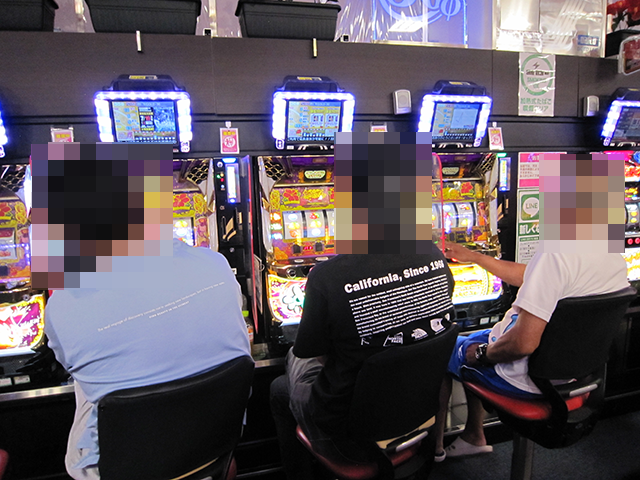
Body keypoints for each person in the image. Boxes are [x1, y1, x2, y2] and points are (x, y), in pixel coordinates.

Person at [34, 144, 251, 480]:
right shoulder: (217, 265)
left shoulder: (64, 303)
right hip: (214, 447)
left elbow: (67, 365)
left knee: (85, 390)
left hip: (127, 465)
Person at [270, 246, 456, 480]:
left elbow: (314, 353)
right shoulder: (432, 253)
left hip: (351, 437)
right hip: (418, 410)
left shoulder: (327, 275)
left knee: (283, 378)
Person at [433, 241, 629, 461]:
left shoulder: (555, 255)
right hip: (573, 374)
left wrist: (482, 354)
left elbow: (522, 345)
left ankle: (435, 449)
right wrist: (476, 257)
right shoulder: (612, 258)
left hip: (527, 377)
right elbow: (533, 276)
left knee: (443, 349)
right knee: (473, 340)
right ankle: (473, 435)